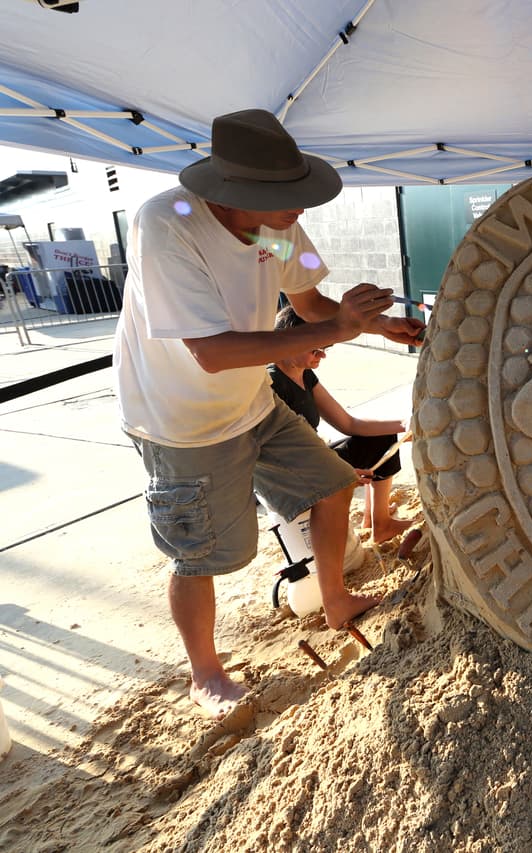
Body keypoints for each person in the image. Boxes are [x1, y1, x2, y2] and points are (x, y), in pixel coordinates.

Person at [112, 109, 426, 717]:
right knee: (202, 552)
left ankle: (334, 600)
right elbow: (212, 353)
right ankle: (205, 672)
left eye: (300, 194)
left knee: (332, 483)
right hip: (180, 421)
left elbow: (309, 302)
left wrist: (377, 324)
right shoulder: (168, 222)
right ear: (231, 189)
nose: (297, 210)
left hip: (251, 402)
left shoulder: (276, 226)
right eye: (283, 198)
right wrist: (340, 327)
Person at [269, 304, 415, 543]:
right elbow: (281, 456)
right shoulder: (273, 382)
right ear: (292, 342)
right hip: (297, 473)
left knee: (382, 437)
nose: (322, 355)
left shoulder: (303, 372)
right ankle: (379, 523)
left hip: (316, 458)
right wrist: (338, 473)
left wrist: (405, 424)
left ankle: (377, 521)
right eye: (316, 350)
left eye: (325, 348)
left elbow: (348, 423)